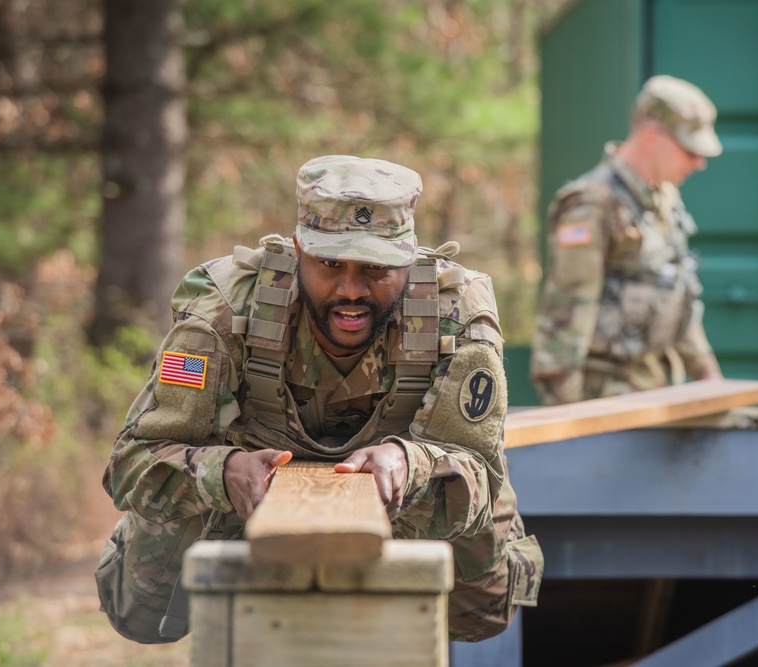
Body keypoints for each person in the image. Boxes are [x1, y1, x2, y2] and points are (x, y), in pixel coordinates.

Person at [95, 155, 543, 644]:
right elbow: (131, 461)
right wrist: (220, 472)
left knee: (483, 613)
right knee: (139, 611)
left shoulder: (457, 315)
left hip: (404, 491)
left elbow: (480, 467)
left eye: (375, 268)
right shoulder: (224, 311)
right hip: (244, 488)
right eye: (330, 264)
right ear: (296, 249)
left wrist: (409, 463)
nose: (350, 289)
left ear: (409, 260)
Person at [530, 74, 725, 405]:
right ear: (653, 137)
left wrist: (706, 373)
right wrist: (568, 421)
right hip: (606, 401)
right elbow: (565, 321)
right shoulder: (592, 204)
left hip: (658, 393)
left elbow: (677, 293)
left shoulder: (665, 199)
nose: (699, 162)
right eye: (690, 150)